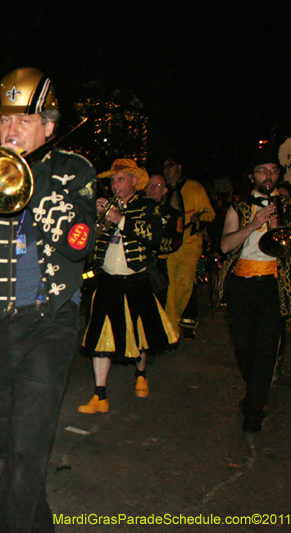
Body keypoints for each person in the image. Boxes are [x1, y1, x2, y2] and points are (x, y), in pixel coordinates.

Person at [0, 68, 97, 533]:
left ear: (48, 126)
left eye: (24, 120)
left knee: (29, 451)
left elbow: (77, 243)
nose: (11, 131)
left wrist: (31, 179)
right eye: (5, 120)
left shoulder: (73, 169)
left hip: (49, 324)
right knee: (5, 454)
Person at [80, 160, 179, 414]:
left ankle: (141, 373)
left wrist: (119, 218)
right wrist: (92, 215)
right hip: (108, 280)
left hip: (137, 279)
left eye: (120, 179)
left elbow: (154, 237)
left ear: (135, 181)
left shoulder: (149, 207)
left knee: (140, 332)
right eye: (112, 181)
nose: (115, 185)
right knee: (100, 336)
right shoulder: (105, 206)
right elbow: (86, 241)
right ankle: (99, 395)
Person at [215, 150, 291, 433]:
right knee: (244, 347)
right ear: (252, 176)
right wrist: (253, 225)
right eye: (262, 171)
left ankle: (255, 408)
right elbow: (225, 247)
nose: (269, 176)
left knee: (267, 348)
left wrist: (282, 228)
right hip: (242, 285)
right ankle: (255, 390)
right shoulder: (238, 208)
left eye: (274, 171)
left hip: (274, 285)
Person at [162, 155, 215, 339]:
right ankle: (170, 327)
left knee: (184, 283)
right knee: (170, 286)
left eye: (170, 166)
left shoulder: (194, 188)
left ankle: (175, 324)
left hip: (189, 243)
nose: (166, 171)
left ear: (179, 167)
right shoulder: (163, 190)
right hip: (169, 245)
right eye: (164, 167)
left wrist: (198, 219)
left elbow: (210, 214)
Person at [144, 172, 183, 305]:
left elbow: (176, 241)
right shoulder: (136, 210)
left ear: (165, 190)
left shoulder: (172, 214)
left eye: (157, 185)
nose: (152, 188)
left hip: (158, 266)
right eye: (150, 185)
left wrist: (153, 246)